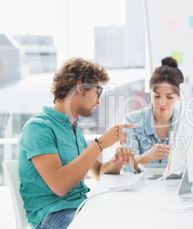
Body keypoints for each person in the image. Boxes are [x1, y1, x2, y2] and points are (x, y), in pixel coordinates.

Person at [18, 58, 136, 229]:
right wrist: (100, 144)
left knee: (130, 216)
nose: (99, 101)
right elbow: (59, 186)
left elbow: (98, 172)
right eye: (98, 92)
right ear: (80, 87)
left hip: (80, 208)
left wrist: (117, 161)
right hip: (52, 215)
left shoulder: (73, 131)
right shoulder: (38, 128)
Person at [122, 56, 184, 173]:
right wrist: (147, 157)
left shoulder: (185, 124)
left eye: (169, 97)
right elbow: (125, 167)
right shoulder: (131, 121)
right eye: (156, 96)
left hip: (174, 188)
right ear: (150, 92)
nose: (161, 103)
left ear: (179, 96)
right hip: (142, 189)